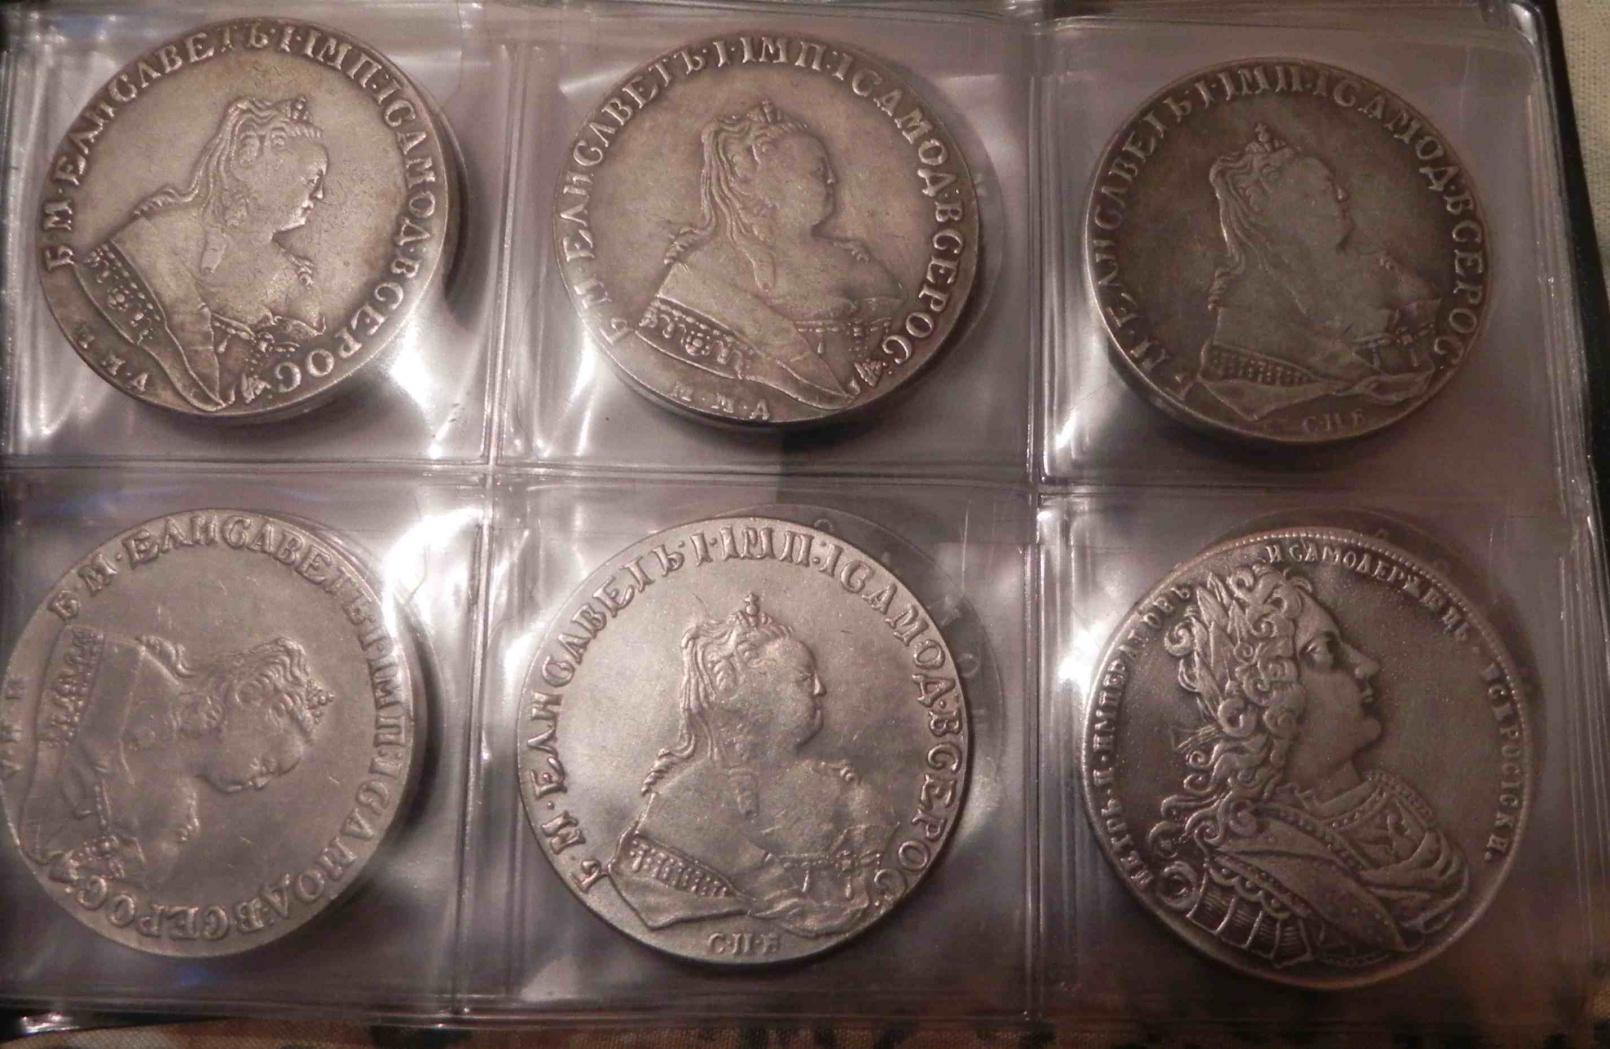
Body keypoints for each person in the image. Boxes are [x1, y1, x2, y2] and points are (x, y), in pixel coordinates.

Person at [1150, 564, 1467, 970]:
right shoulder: (1244, 890)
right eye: (1324, 651)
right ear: (1269, 697)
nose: (1367, 665)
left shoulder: (1405, 810)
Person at [609, 594, 896, 938]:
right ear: (749, 692)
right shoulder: (676, 809)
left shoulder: (842, 789)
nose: (821, 689)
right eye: (804, 678)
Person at [18, 627, 332, 891]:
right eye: (266, 764)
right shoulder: (112, 672)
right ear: (247, 696)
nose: (260, 782)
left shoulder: (171, 823)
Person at [636, 101, 903, 411]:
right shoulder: (699, 277)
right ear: (763, 182)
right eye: (818, 170)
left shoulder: (858, 267)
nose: (833, 179)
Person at [74, 96, 329, 412]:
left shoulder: (295, 286)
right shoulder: (153, 240)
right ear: (256, 169)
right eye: (311, 180)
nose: (320, 194)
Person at [1197, 125, 1443, 421]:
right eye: (1325, 188)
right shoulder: (1246, 336)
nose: (1343, 194)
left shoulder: (1366, 288)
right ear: (1279, 210)